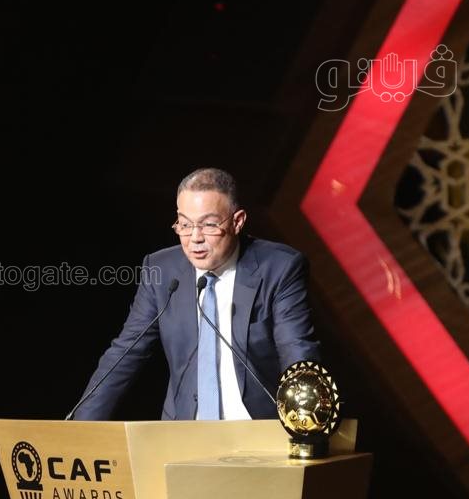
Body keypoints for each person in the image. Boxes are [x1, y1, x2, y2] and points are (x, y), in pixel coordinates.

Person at [72, 168, 320, 420]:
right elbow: (126, 352)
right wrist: (80, 428)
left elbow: (295, 347)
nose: (194, 238)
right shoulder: (162, 270)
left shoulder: (279, 268)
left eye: (209, 225)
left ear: (237, 221)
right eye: (185, 224)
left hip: (258, 429)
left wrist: (304, 418)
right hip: (184, 429)